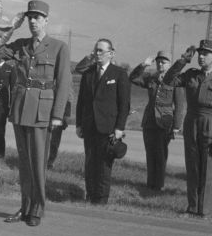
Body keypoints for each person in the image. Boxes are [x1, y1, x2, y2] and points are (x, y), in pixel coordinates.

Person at [0, 0, 71, 227]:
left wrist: (57, 115)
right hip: (20, 109)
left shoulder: (58, 47)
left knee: (37, 163)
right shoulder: (21, 45)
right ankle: (25, 207)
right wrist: (12, 27)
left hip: (42, 112)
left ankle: (37, 208)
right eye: (30, 18)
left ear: (46, 20)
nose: (33, 21)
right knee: (24, 163)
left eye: (37, 17)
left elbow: (63, 83)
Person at [163, 40, 212, 218]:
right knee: (193, 166)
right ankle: (192, 207)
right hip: (192, 122)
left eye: (205, 54)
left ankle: (205, 210)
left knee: (208, 168)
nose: (201, 57)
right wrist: (182, 61)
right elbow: (168, 80)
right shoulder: (191, 74)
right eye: (199, 53)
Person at [75, 38, 130, 204]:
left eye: (101, 51)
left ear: (111, 53)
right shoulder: (89, 73)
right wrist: (79, 124)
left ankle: (101, 198)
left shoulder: (119, 74)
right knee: (90, 163)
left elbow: (124, 104)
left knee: (104, 165)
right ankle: (90, 194)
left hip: (108, 127)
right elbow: (81, 101)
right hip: (89, 126)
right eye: (96, 50)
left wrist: (119, 127)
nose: (97, 54)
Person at [129, 50, 185, 191]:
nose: (160, 64)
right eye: (159, 61)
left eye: (164, 62)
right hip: (149, 121)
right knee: (150, 152)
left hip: (164, 121)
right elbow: (133, 78)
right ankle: (150, 183)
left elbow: (179, 106)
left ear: (170, 64)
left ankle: (159, 185)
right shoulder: (151, 78)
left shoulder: (175, 80)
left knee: (160, 153)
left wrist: (176, 127)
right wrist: (143, 65)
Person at [47, 91, 73, 169]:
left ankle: (50, 161)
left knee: (55, 140)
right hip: (46, 106)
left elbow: (68, 95)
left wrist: (66, 115)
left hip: (60, 110)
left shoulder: (64, 80)